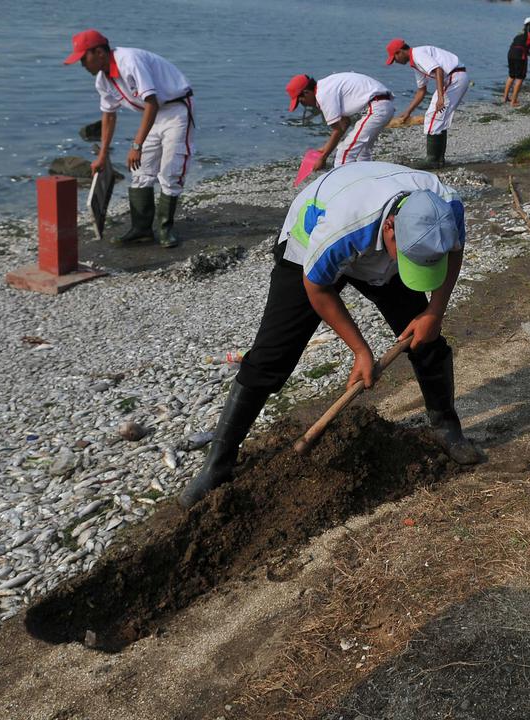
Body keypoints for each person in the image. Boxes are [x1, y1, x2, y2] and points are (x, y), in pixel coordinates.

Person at [178, 161, 485, 507]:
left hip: (383, 241)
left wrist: (434, 312)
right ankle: (217, 464)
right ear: (390, 229)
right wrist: (360, 351)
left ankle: (446, 427)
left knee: (426, 341)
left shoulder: (446, 209)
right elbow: (318, 287)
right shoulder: (344, 226)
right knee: (270, 357)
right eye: (409, 260)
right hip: (310, 240)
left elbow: (454, 253)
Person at [64, 29, 194, 248]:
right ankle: (141, 230)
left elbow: (151, 101)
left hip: (175, 109)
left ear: (99, 53)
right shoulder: (102, 80)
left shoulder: (129, 60)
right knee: (140, 171)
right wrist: (102, 157)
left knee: (170, 171)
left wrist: (136, 145)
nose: (82, 65)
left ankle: (165, 229)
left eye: (83, 58)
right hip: (153, 114)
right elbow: (108, 116)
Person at [387, 39, 470, 168]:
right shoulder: (415, 64)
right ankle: (439, 160)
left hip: (454, 76)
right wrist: (408, 112)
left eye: (394, 58)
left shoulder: (418, 54)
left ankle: (432, 160)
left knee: (433, 117)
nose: (395, 62)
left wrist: (440, 98)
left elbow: (438, 70)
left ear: (400, 52)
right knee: (439, 119)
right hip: (455, 77)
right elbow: (422, 91)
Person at [286, 73, 395, 168]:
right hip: (382, 105)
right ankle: (368, 181)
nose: (303, 105)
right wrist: (325, 148)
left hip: (376, 108)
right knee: (362, 152)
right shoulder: (325, 86)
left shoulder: (323, 95)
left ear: (306, 92)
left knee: (344, 153)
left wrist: (323, 158)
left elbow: (337, 130)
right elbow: (345, 123)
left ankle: (344, 187)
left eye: (301, 101)